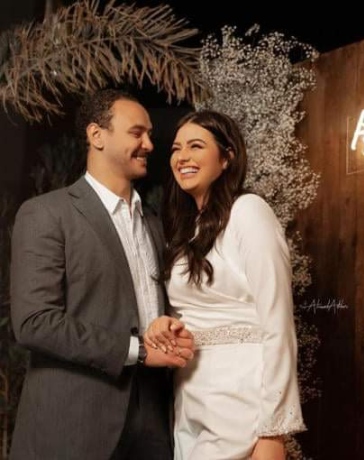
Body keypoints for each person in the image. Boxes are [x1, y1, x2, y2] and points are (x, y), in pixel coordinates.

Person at [9, 88, 195, 460]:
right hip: (73, 422)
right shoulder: (46, 213)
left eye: (150, 135)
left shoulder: (155, 223)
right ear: (97, 135)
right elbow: (34, 322)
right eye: (136, 133)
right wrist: (138, 351)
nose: (149, 145)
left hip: (154, 420)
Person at [144, 109, 307, 460]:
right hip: (191, 395)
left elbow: (278, 323)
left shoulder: (249, 211)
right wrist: (164, 325)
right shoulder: (186, 231)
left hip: (241, 396)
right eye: (176, 148)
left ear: (226, 158)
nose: (182, 157)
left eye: (196, 146)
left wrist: (274, 429)